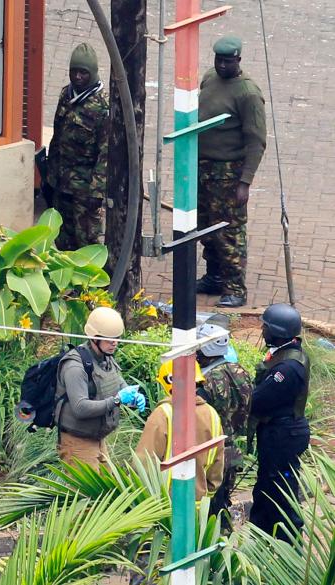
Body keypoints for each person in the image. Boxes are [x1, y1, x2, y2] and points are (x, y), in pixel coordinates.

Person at [196, 36, 267, 308]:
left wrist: (245, 182)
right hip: (204, 168)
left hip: (229, 172)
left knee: (229, 232)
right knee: (206, 227)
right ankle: (214, 277)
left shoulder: (247, 93)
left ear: (238, 60)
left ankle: (235, 287)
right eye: (219, 60)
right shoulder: (210, 78)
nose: (222, 65)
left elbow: (256, 140)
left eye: (228, 60)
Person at [55, 307, 146, 470]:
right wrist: (117, 400)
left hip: (98, 437)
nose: (115, 343)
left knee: (108, 489)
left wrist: (133, 396)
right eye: (110, 339)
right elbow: (80, 408)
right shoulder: (74, 367)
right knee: (86, 494)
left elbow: (118, 383)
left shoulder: (105, 356)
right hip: (77, 442)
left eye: (117, 338)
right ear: (94, 338)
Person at [249, 303, 310, 541]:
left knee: (280, 493)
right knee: (266, 488)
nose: (263, 330)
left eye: (266, 326)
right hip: (278, 433)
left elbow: (258, 400)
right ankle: (260, 539)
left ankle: (289, 547)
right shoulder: (284, 352)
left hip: (283, 435)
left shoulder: (287, 368)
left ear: (278, 331)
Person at [45, 42, 109, 250]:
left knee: (87, 242)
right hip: (62, 183)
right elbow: (57, 137)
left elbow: (105, 155)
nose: (78, 77)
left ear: (93, 73)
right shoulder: (67, 96)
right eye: (74, 72)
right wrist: (49, 176)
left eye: (83, 73)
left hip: (85, 191)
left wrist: (96, 194)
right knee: (62, 239)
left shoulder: (102, 107)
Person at [136, 361, 225, 501]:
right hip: (197, 502)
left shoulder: (163, 413)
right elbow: (217, 465)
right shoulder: (211, 414)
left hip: (164, 504)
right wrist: (205, 494)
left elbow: (144, 462)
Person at [195, 323, 252, 524]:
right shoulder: (240, 371)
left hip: (211, 456)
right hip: (233, 452)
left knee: (208, 512)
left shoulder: (204, 382)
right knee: (222, 505)